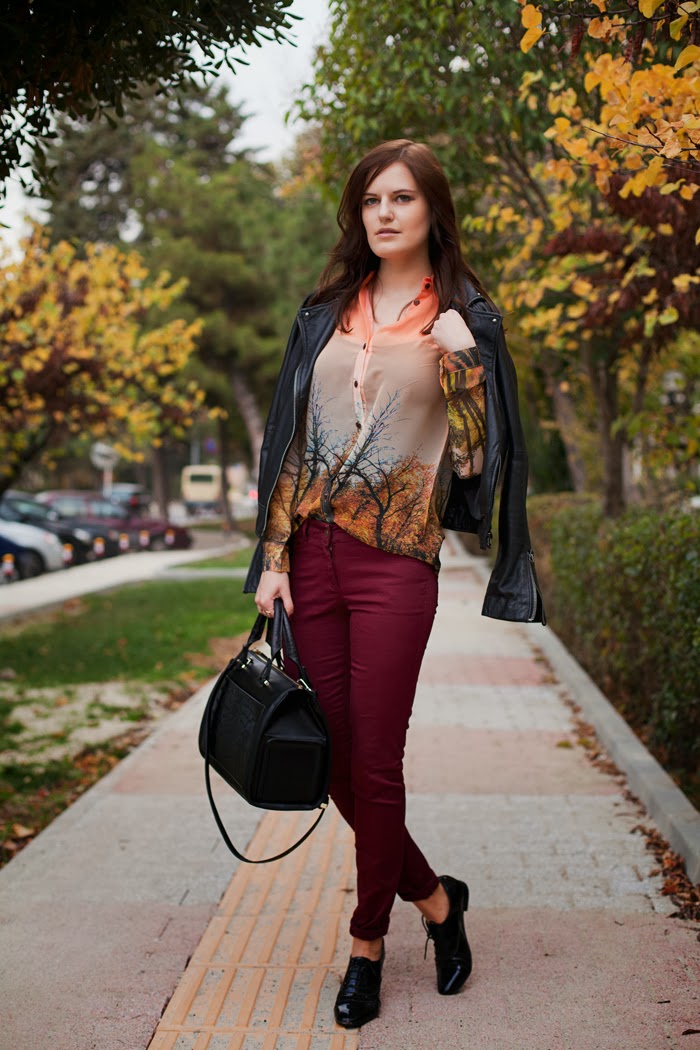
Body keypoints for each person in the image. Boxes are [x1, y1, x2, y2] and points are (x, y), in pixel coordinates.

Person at [244, 139, 546, 1029]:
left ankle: (366, 944)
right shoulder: (323, 313)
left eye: (403, 198)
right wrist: (272, 558)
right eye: (373, 199)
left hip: (396, 563)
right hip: (311, 559)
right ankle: (439, 902)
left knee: (374, 761)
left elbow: (479, 462)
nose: (385, 213)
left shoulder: (464, 319)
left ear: (432, 212)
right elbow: (290, 442)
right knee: (336, 759)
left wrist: (463, 364)